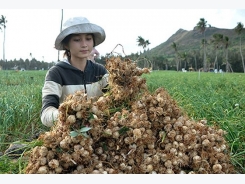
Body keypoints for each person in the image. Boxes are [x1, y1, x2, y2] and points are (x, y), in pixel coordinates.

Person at [41, 16, 109, 127]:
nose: (84, 44)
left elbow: (115, 98)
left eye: (88, 39)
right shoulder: (56, 73)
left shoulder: (100, 71)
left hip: (99, 130)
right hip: (69, 134)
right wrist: (68, 114)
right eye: (77, 40)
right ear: (66, 45)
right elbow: (46, 113)